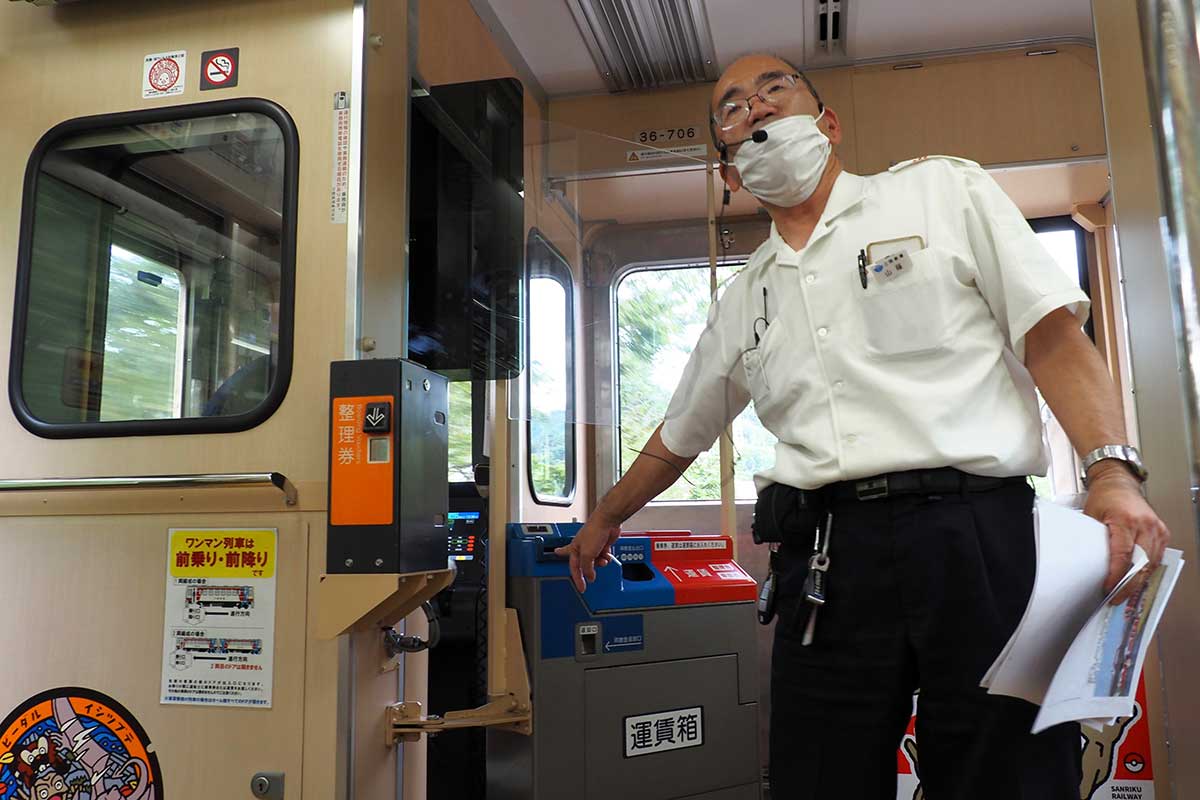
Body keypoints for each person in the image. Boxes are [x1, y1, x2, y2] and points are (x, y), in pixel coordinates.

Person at [554, 54, 1170, 798]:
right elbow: (677, 435)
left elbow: (1051, 336)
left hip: (976, 535)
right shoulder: (742, 300)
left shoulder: (941, 191)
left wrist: (1110, 472)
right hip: (826, 558)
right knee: (820, 776)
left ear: (828, 124)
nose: (753, 107)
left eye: (773, 90)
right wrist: (604, 519)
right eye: (731, 109)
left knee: (1004, 776)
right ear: (729, 174)